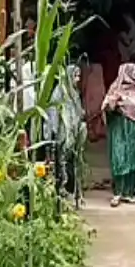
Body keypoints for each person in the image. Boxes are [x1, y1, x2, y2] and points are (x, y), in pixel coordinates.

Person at [101, 63, 135, 207]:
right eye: (134, 74)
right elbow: (106, 107)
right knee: (119, 159)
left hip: (134, 131)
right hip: (119, 129)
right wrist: (113, 103)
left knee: (132, 161)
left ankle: (128, 193)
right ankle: (118, 192)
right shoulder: (115, 89)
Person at [45, 65, 87, 199]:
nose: (78, 79)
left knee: (72, 159)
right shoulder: (59, 92)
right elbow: (53, 112)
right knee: (62, 159)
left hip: (73, 132)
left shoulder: (74, 93)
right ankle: (62, 187)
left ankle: (70, 188)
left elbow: (78, 111)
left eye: (79, 76)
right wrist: (54, 130)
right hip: (63, 131)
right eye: (75, 76)